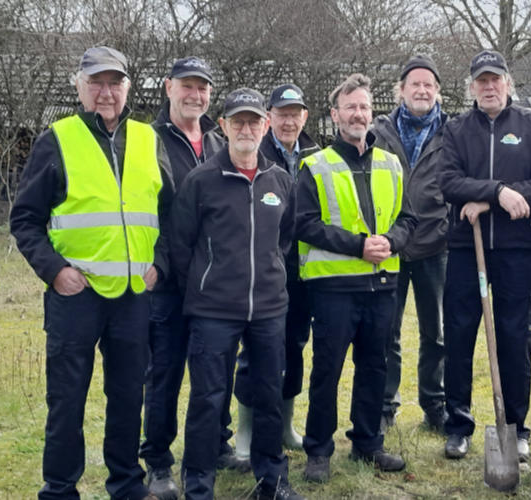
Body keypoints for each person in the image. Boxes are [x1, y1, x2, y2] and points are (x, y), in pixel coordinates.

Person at [10, 46, 170, 500]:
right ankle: (60, 489)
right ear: (78, 86)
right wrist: (55, 271)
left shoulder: (147, 138)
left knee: (126, 399)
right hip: (75, 295)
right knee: (67, 401)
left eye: (114, 82)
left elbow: (173, 214)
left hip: (133, 296)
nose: (106, 92)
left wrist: (161, 264)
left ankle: (126, 483)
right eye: (96, 82)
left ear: (128, 89)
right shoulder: (56, 140)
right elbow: (24, 219)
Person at [170, 88, 302, 500]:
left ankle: (272, 480)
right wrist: (207, 285)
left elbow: (285, 238)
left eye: (253, 121)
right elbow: (181, 245)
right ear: (223, 126)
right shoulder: (201, 181)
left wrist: (267, 276)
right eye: (237, 121)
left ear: (265, 126)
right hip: (213, 310)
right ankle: (198, 484)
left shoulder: (279, 180)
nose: (246, 129)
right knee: (208, 399)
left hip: (267, 310)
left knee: (267, 397)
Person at [295, 73, 416, 482]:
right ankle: (318, 450)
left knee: (375, 366)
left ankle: (368, 443)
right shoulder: (315, 165)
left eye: (364, 107)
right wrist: (359, 245)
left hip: (383, 285)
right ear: (335, 115)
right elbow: (306, 225)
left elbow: (408, 217)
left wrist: (392, 242)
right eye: (351, 107)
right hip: (334, 288)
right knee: (326, 370)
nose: (358, 114)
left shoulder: (391, 163)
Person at [438, 49, 531, 462]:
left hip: (515, 252)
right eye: (481, 81)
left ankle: (516, 427)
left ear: (508, 83)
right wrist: (494, 191)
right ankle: (458, 424)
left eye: (496, 79)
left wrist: (497, 199)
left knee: (514, 337)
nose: (489, 87)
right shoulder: (456, 130)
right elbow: (448, 182)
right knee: (458, 336)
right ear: (471, 87)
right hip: (464, 249)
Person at [139, 56, 240, 499]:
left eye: (203, 88)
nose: (195, 95)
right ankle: (158, 462)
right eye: (187, 86)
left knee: (215, 371)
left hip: (215, 285)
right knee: (165, 374)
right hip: (169, 283)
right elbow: (149, 210)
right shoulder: (150, 141)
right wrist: (163, 265)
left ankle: (217, 444)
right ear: (168, 87)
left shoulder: (221, 142)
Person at [234, 83, 321, 460]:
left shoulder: (318, 155)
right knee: (254, 353)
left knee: (294, 348)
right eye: (281, 114)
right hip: (263, 272)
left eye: (295, 113)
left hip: (304, 273)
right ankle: (245, 430)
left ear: (304, 117)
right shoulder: (256, 149)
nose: (289, 121)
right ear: (269, 118)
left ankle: (286, 425)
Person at [371, 54, 449, 432]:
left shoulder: (452, 132)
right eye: (414, 84)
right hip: (392, 245)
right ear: (400, 90)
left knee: (436, 331)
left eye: (428, 85)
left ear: (437, 92)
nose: (421, 90)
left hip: (437, 245)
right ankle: (385, 405)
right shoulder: (378, 131)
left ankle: (435, 404)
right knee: (388, 330)